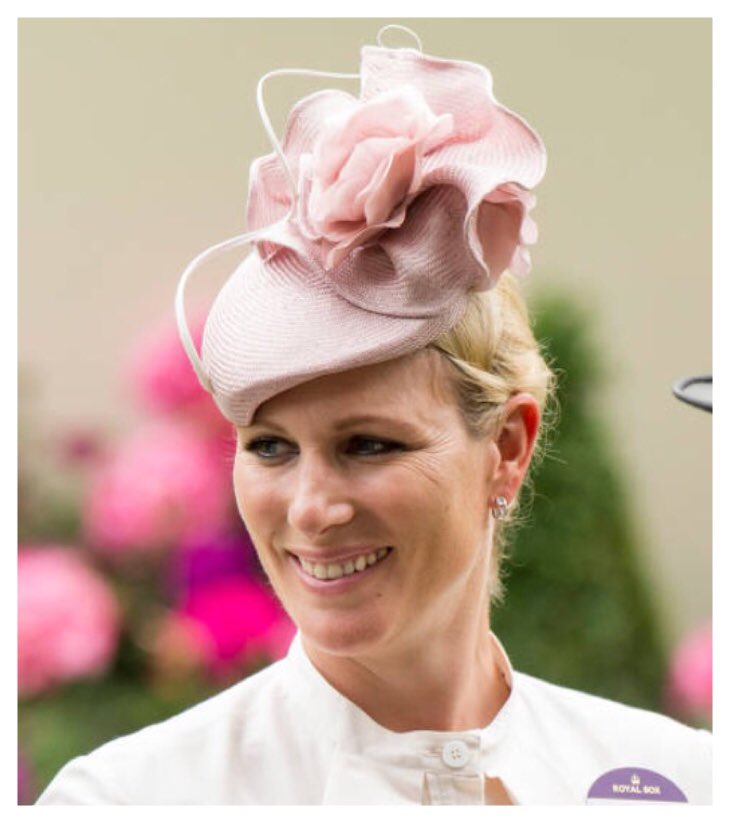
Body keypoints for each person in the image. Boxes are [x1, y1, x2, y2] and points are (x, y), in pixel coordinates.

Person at [37, 25, 711, 806]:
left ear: (508, 448)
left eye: (366, 444)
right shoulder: (125, 800)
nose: (313, 508)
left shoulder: (683, 781)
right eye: (270, 447)